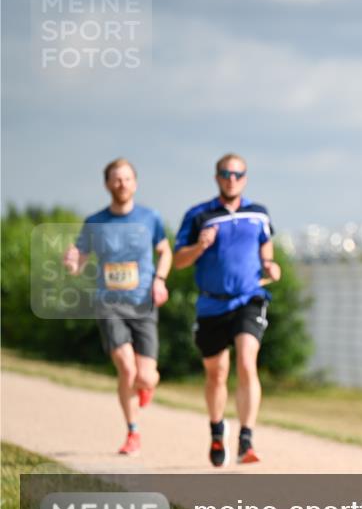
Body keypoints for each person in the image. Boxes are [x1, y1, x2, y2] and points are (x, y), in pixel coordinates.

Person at [173, 153, 281, 467]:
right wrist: (199, 247)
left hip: (249, 298)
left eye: (237, 174)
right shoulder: (198, 215)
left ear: (245, 178)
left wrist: (271, 267)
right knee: (216, 373)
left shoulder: (259, 213)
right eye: (225, 173)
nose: (231, 179)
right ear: (217, 177)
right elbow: (179, 260)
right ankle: (217, 430)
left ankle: (246, 439)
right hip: (211, 303)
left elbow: (267, 253)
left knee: (247, 361)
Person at [63, 158, 172, 456]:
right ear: (107, 184)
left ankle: (145, 386)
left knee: (145, 375)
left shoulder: (151, 218)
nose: (121, 184)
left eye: (126, 179)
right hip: (109, 303)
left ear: (135, 183)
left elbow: (165, 252)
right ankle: (132, 432)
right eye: (116, 179)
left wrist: (160, 280)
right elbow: (80, 259)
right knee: (126, 367)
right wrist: (72, 263)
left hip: (143, 303)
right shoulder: (95, 222)